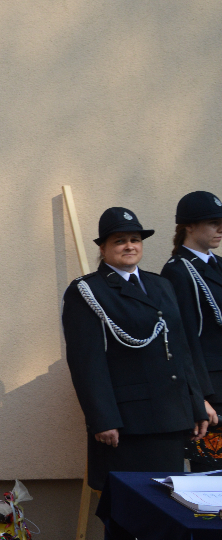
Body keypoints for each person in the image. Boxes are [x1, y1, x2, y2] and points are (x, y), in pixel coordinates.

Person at [62, 206, 208, 494]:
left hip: (170, 418)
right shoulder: (88, 291)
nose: (130, 246)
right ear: (103, 248)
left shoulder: (161, 284)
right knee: (129, 511)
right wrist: (103, 419)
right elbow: (86, 362)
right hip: (128, 425)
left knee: (167, 510)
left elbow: (181, 350)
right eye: (119, 241)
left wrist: (197, 402)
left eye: (135, 239)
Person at [161, 191, 222, 471]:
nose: (220, 228)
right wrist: (200, 398)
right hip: (213, 391)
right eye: (212, 222)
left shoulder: (218, 266)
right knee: (212, 479)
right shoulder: (178, 270)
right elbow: (183, 339)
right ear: (188, 226)